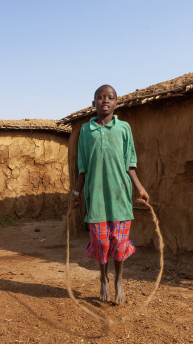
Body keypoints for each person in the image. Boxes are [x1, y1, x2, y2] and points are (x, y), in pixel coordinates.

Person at [71, 84, 149, 304]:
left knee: (119, 241)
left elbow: (130, 163)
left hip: (120, 195)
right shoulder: (86, 131)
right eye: (100, 97)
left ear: (116, 103)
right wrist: (76, 193)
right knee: (101, 242)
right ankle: (103, 278)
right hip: (95, 197)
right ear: (93, 102)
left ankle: (119, 280)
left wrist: (140, 189)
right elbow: (82, 165)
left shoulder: (124, 128)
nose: (105, 100)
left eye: (110, 97)